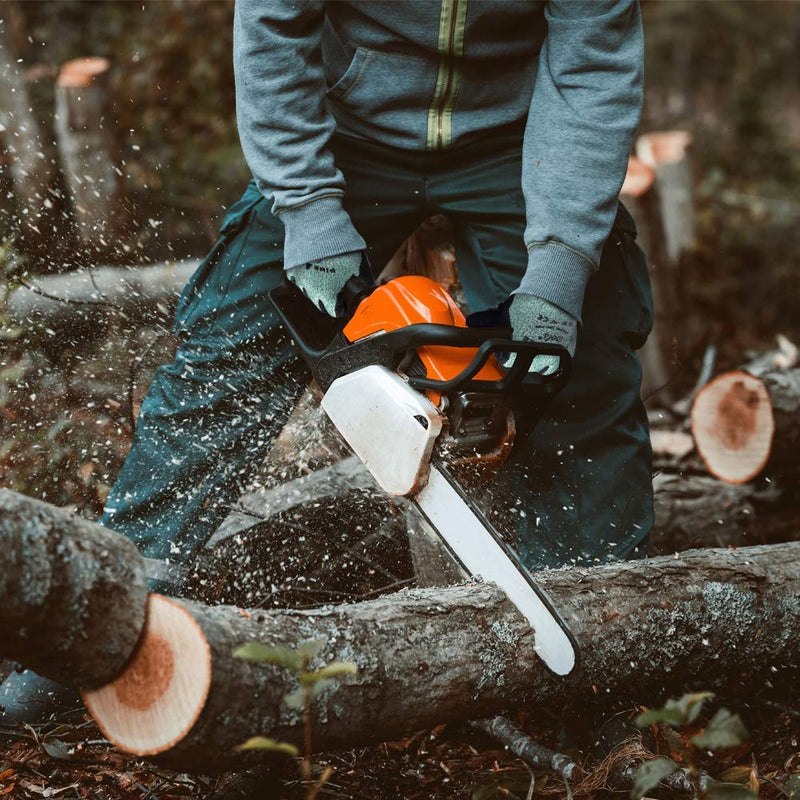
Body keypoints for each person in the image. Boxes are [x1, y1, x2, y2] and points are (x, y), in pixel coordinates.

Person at [2, 0, 653, 723]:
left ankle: (603, 649)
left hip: (523, 136)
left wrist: (560, 270)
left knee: (579, 374)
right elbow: (274, 26)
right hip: (347, 131)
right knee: (224, 358)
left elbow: (590, 63)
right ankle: (98, 622)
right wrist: (309, 211)